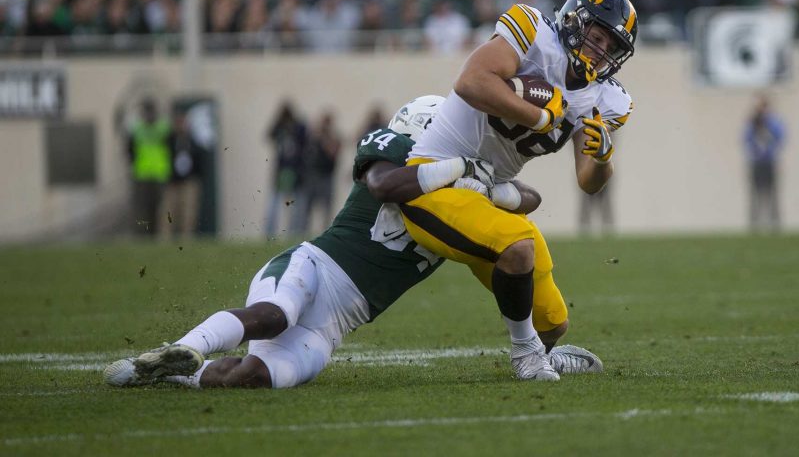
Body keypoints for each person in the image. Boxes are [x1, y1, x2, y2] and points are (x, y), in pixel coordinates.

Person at [104, 96, 601, 389]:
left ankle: (172, 374)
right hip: (313, 266)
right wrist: (459, 170)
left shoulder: (463, 187)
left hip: (335, 325)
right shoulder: (395, 149)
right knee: (273, 316)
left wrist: (489, 184)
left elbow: (529, 201)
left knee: (253, 377)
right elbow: (387, 185)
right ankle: (183, 347)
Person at [401, 0, 637, 381]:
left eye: (612, 45)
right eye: (598, 36)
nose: (601, 50)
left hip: (487, 195)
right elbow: (471, 82)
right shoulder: (533, 33)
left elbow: (588, 183)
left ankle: (544, 350)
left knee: (554, 322)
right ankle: (527, 356)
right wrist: (539, 118)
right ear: (575, 21)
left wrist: (602, 158)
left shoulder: (607, 99)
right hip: (435, 180)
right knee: (518, 246)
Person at [126, 98, 173, 236]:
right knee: (142, 208)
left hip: (159, 173)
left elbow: (171, 148)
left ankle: (158, 235)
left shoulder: (164, 128)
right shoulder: (137, 128)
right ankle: (141, 234)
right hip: (141, 174)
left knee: (159, 208)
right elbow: (129, 150)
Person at [263, 101, 308, 238]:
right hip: (281, 171)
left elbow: (305, 138)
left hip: (296, 171)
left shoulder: (299, 127)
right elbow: (269, 135)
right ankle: (270, 233)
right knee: (276, 203)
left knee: (294, 204)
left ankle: (293, 233)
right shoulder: (279, 127)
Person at [294, 110, 342, 236]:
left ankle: (325, 233)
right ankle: (302, 233)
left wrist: (324, 139)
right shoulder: (313, 137)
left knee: (326, 207)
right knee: (306, 207)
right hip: (312, 176)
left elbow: (334, 152)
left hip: (326, 176)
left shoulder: (333, 137)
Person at [160, 110, 204, 239]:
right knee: (169, 211)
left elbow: (200, 159)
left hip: (188, 181)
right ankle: (165, 238)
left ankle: (187, 238)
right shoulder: (169, 139)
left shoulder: (193, 140)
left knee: (188, 212)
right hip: (172, 182)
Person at [744, 95, 785, 231]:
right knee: (756, 194)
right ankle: (754, 225)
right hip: (757, 162)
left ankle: (774, 224)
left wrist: (768, 129)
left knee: (772, 193)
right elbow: (746, 140)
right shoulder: (752, 122)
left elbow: (781, 138)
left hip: (769, 162)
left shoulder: (773, 122)